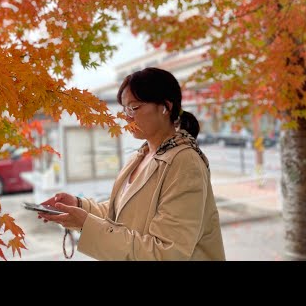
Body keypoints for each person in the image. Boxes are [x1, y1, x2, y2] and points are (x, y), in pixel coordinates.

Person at [38, 67, 226, 260]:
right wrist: (78, 206)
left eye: (134, 107)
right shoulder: (142, 155)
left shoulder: (185, 163)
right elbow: (120, 214)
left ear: (165, 107)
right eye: (124, 108)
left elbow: (167, 253)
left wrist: (86, 224)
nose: (126, 116)